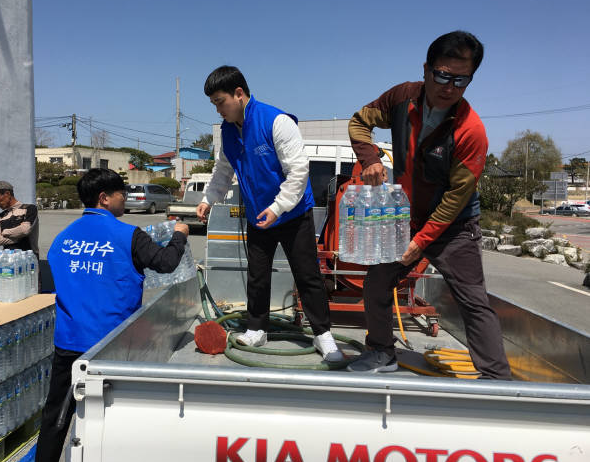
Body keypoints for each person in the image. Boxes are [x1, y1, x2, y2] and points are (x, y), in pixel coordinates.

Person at [347, 31, 512, 379]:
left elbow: (456, 199)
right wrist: (369, 158)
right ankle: (381, 352)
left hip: (455, 226)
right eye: (442, 75)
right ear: (426, 69)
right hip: (408, 216)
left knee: (472, 301)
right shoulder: (401, 98)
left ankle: (497, 380)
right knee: (377, 283)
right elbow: (359, 122)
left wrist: (420, 243)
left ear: (470, 79)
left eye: (460, 79)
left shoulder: (471, 131)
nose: (449, 86)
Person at [31, 168, 189, 462]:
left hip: (70, 341)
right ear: (105, 198)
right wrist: (180, 234)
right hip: (113, 345)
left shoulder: (63, 239)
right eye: (121, 193)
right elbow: (166, 263)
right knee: (112, 413)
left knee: (57, 415)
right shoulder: (128, 235)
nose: (125, 198)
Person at [196, 65, 342, 363]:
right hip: (258, 217)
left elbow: (299, 172)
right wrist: (208, 199)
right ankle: (257, 329)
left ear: (239, 94)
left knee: (307, 275)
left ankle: (323, 336)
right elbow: (224, 171)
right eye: (214, 104)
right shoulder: (227, 131)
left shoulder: (276, 121)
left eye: (220, 102)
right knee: (257, 275)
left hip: (292, 214)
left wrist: (278, 208)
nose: (218, 110)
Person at [0, 180, 40, 256]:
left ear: (7, 194)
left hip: (29, 258)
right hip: (8, 260)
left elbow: (25, 230)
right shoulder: (0, 216)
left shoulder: (29, 209)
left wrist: (5, 232)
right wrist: (20, 237)